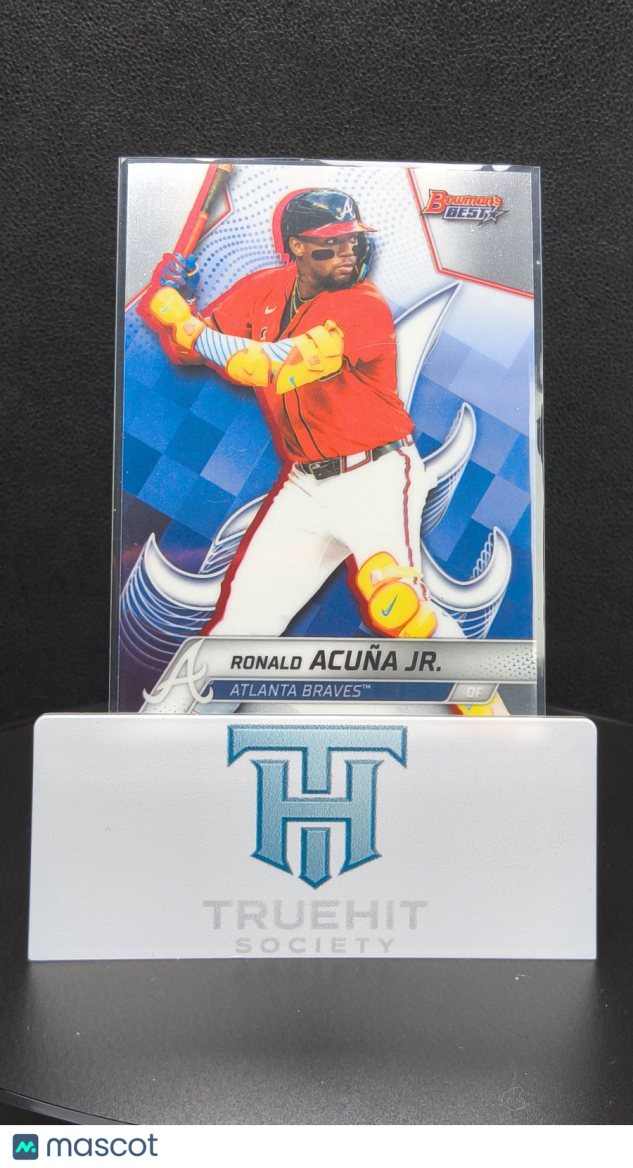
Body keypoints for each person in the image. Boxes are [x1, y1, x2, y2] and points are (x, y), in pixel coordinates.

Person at [138, 188, 439, 640]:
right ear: (297, 245)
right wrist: (182, 302)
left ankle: (484, 688)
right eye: (332, 241)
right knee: (239, 629)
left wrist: (186, 324)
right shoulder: (264, 288)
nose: (348, 251)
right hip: (305, 485)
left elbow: (268, 364)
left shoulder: (363, 304)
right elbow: (191, 353)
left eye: (353, 239)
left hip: (375, 477)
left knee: (400, 611)